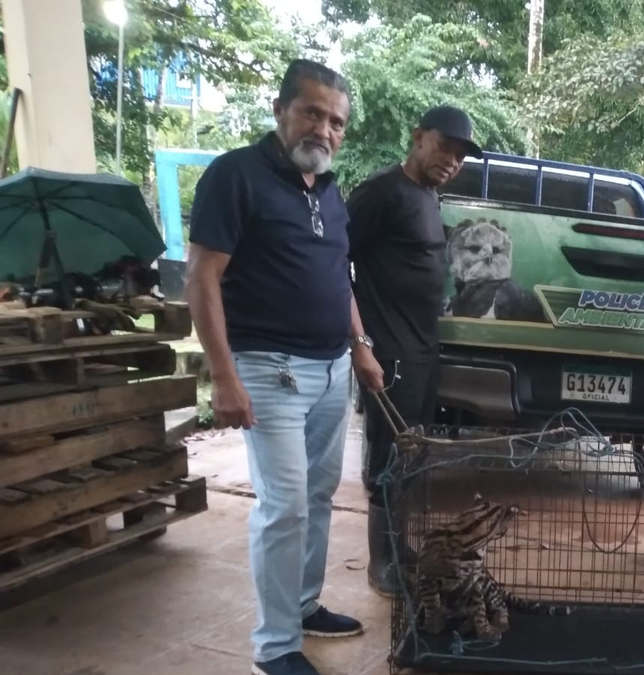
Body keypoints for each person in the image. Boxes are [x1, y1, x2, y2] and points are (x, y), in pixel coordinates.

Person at [186, 59, 379, 675]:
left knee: (317, 496)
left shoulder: (329, 191)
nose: (324, 130)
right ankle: (274, 649)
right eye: (312, 113)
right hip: (268, 371)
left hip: (331, 370)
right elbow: (202, 277)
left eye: (336, 122)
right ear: (280, 111)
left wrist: (360, 345)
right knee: (285, 506)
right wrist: (224, 377)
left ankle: (302, 605)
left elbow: (339, 276)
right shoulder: (235, 176)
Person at [346, 104, 484, 597]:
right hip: (391, 351)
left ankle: (399, 548)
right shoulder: (382, 191)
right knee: (389, 457)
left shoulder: (426, 196)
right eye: (445, 147)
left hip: (423, 350)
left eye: (460, 156)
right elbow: (333, 263)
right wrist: (360, 343)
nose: (452, 161)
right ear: (418, 136)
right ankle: (380, 564)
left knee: (411, 456)